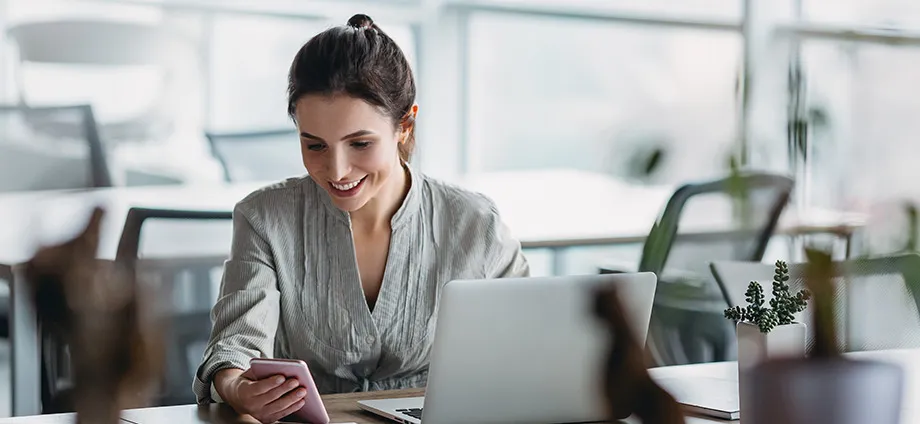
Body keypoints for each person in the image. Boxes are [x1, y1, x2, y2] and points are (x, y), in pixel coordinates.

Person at [192, 13, 530, 423]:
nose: (336, 171)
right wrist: (237, 388)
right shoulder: (265, 217)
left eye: (360, 143)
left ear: (405, 126)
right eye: (315, 145)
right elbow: (234, 348)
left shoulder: (475, 224)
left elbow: (528, 349)